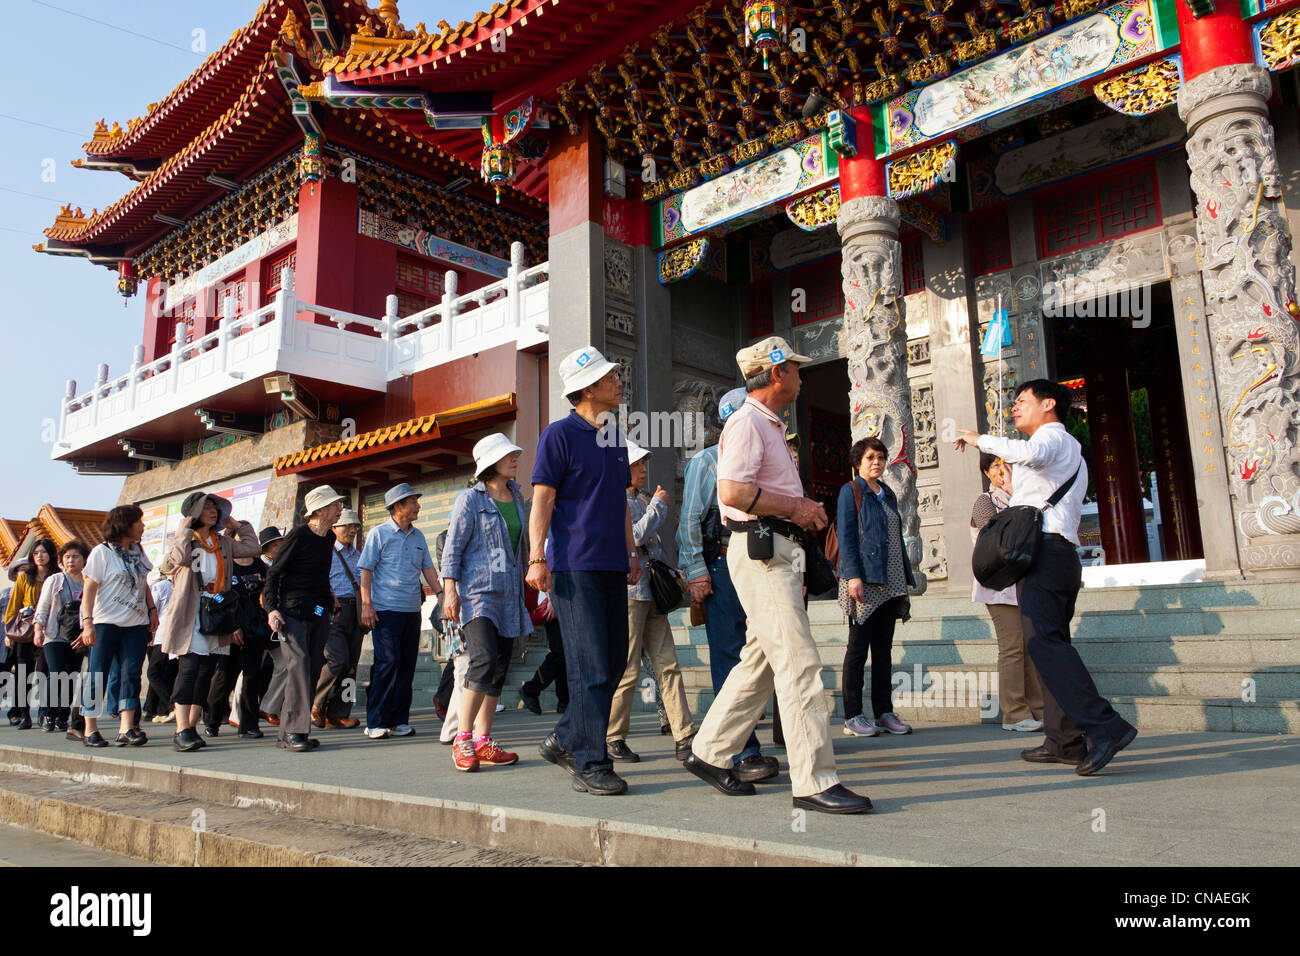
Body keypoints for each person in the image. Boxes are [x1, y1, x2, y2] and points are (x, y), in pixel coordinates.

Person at [683, 336, 871, 814]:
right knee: (799, 663)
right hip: (762, 550)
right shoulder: (747, 421)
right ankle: (814, 781)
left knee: (761, 663)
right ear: (776, 373)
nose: (801, 376)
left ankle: (708, 750)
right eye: (794, 367)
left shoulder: (766, 424)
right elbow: (733, 490)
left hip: (775, 551)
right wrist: (799, 506)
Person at [955, 379, 1138, 775]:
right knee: (1048, 643)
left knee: (1043, 643)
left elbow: (1031, 453)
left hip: (1048, 554)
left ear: (1049, 403)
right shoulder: (1059, 451)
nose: (1015, 407)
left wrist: (978, 438)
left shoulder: (1054, 438)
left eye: (1022, 401)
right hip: (1052, 555)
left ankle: (1106, 726)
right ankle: (1064, 740)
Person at [528, 346, 642, 797]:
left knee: (614, 662)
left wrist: (631, 553)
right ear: (588, 388)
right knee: (589, 664)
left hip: (613, 564)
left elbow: (621, 505)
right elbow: (543, 499)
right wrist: (538, 557)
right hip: (574, 566)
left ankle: (567, 736)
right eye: (610, 377)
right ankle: (590, 762)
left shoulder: (614, 439)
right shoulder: (558, 435)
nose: (618, 381)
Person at [676, 387, 779, 782]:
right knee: (729, 656)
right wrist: (696, 571)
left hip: (762, 560)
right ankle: (739, 751)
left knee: (759, 652)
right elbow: (689, 521)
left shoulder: (765, 457)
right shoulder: (707, 461)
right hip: (721, 563)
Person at [440, 433, 531, 771]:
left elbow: (521, 549)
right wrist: (450, 590)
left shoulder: (518, 497)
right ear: (490, 463)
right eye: (508, 454)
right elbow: (453, 549)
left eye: (515, 453)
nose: (515, 458)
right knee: (483, 659)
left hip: (510, 594)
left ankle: (483, 741)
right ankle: (462, 739)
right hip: (477, 595)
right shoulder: (469, 500)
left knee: (500, 668)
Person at [606, 441, 696, 762]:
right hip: (630, 595)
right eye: (637, 464)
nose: (643, 469)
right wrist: (658, 507)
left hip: (653, 594)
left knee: (667, 664)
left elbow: (653, 550)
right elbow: (632, 537)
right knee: (629, 668)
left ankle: (683, 733)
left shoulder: (641, 499)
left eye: (644, 464)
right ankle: (613, 736)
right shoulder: (617, 500)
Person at [156, 493, 261, 752]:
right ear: (194, 513)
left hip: (217, 610)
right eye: (207, 508)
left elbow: (252, 548)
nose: (213, 512)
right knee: (189, 667)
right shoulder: (188, 541)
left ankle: (191, 726)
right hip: (192, 609)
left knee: (207, 669)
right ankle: (181, 729)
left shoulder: (223, 542)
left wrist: (239, 526)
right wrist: (183, 531)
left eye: (216, 508)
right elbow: (177, 559)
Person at [836, 437, 916, 738]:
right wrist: (853, 576)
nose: (876, 463)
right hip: (864, 580)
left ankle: (883, 711)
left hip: (891, 580)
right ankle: (853, 715)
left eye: (881, 457)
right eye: (870, 457)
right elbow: (846, 535)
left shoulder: (888, 494)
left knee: (883, 649)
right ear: (858, 462)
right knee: (857, 650)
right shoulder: (851, 491)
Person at [264, 487, 346, 752]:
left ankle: (289, 733)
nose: (339, 509)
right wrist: (272, 609)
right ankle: (296, 731)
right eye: (335, 505)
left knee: (311, 669)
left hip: (318, 611)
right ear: (319, 510)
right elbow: (274, 574)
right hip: (291, 611)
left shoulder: (327, 539)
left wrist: (330, 598)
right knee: (298, 665)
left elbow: (320, 576)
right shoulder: (299, 535)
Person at [359, 482, 441, 739]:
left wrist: (441, 594)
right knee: (388, 662)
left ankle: (398, 720)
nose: (418, 506)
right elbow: (366, 571)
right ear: (398, 507)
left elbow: (428, 568)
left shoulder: (418, 536)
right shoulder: (378, 534)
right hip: (385, 610)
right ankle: (375, 722)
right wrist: (367, 604)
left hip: (411, 609)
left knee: (406, 664)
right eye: (413, 502)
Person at [971, 453, 1044, 732]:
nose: (1003, 472)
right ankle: (1014, 713)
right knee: (1012, 647)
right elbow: (1001, 535)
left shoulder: (1026, 498)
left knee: (1031, 647)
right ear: (987, 473)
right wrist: (1017, 497)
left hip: (1025, 584)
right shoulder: (985, 501)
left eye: (1008, 466)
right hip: (998, 586)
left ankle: (1037, 709)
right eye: (996, 467)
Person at [79, 506, 158, 747]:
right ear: (124, 524)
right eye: (139, 522)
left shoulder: (138, 551)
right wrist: (87, 623)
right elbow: (89, 591)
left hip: (135, 624)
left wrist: (152, 610)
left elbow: (143, 583)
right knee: (97, 673)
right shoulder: (101, 553)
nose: (143, 526)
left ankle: (126, 728)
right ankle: (90, 729)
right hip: (105, 623)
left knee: (132, 674)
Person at [313, 509, 364, 730]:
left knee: (351, 665)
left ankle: (340, 713)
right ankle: (317, 703)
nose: (353, 530)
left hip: (357, 610)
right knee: (336, 660)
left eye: (356, 526)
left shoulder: (360, 555)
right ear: (334, 527)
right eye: (348, 525)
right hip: (333, 610)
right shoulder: (325, 551)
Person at [33, 541, 89, 733]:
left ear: (84, 560)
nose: (70, 560)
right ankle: (48, 713)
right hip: (54, 634)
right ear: (61, 560)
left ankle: (63, 716)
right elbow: (44, 605)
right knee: (56, 673)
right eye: (67, 557)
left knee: (72, 675)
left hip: (78, 636)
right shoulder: (55, 580)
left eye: (75, 556)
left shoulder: (90, 581)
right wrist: (38, 628)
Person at [5, 538, 57, 729]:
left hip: (49, 632)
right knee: (22, 675)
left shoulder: (58, 576)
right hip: (25, 633)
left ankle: (44, 714)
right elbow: (13, 605)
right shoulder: (25, 577)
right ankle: (24, 714)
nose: (40, 556)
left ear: (51, 555)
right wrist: (9, 633)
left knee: (43, 672)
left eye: (43, 552)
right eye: (36, 553)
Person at [144, 569, 176, 725]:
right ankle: (161, 710)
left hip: (162, 634)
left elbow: (151, 608)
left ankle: (173, 705)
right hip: (175, 634)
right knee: (168, 673)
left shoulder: (160, 586)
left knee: (154, 673)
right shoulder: (177, 585)